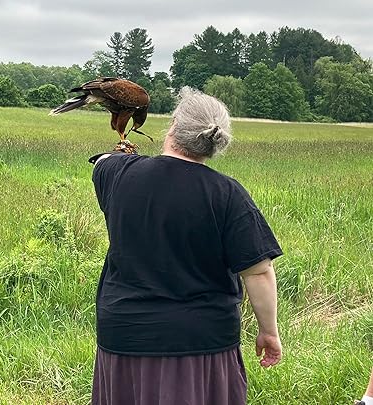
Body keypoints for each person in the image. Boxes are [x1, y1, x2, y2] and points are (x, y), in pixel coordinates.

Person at [89, 87, 283, 405]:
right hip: (202, 343)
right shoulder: (227, 194)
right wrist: (269, 332)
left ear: (173, 126)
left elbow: (102, 163)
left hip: (126, 337)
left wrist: (125, 148)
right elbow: (259, 272)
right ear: (214, 143)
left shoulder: (120, 175)